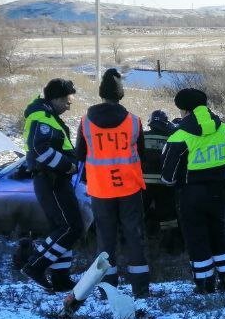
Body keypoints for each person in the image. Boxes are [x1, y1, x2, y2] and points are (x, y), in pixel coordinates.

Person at [73, 68, 152, 299]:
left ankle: (108, 290)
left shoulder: (86, 122)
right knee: (134, 237)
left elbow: (79, 155)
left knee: (105, 241)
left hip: (100, 190)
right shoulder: (134, 122)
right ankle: (141, 289)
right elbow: (143, 156)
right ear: (121, 94)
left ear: (101, 94)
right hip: (129, 188)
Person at [161, 88, 225, 294]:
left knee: (197, 238)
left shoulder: (179, 136)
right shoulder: (224, 129)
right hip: (220, 192)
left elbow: (167, 177)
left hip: (191, 196)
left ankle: (205, 285)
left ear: (184, 110)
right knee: (219, 234)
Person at [18, 78, 83, 292]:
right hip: (51, 179)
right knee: (71, 228)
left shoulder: (49, 115)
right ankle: (36, 266)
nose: (69, 105)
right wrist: (67, 166)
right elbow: (39, 149)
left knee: (61, 228)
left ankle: (61, 278)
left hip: (52, 179)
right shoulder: (42, 117)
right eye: (67, 100)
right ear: (55, 98)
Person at [141, 109, 182, 252]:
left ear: (151, 122)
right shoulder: (171, 137)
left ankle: (137, 244)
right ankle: (171, 246)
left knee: (139, 213)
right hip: (165, 183)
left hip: (144, 184)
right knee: (168, 216)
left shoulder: (142, 137)